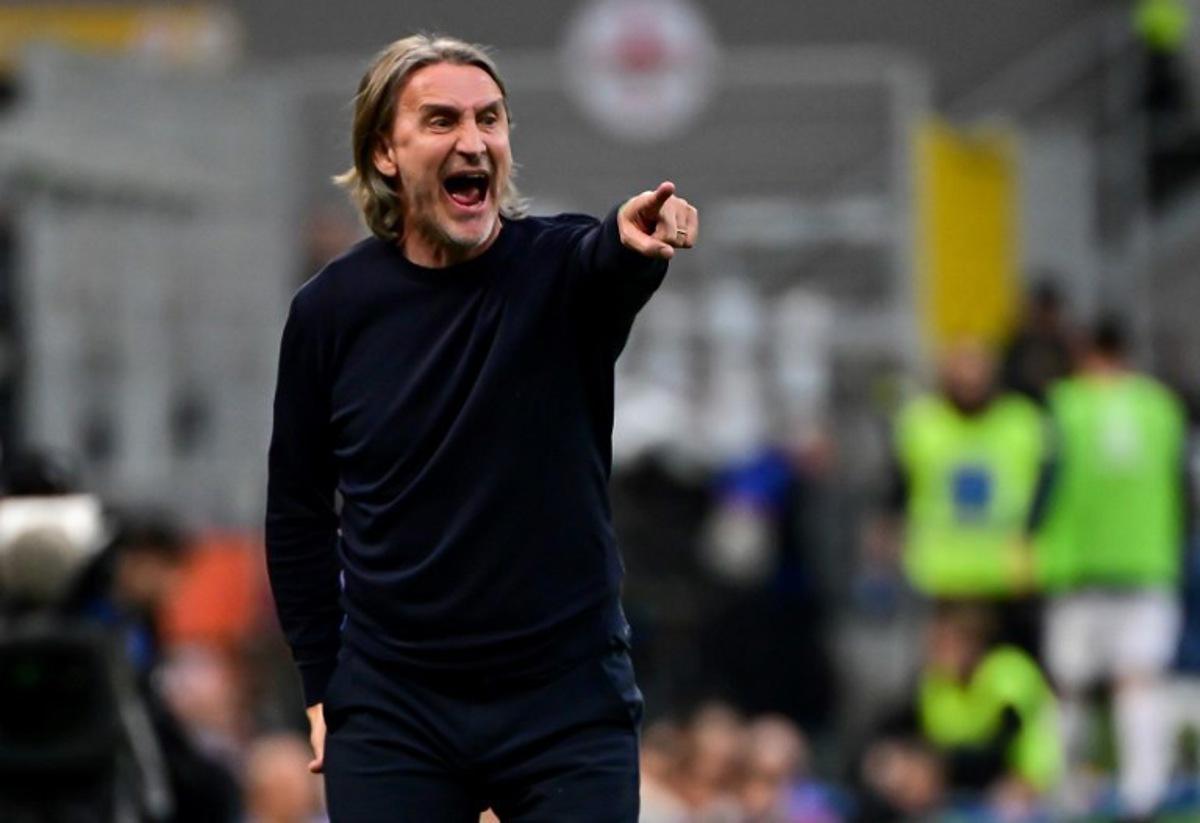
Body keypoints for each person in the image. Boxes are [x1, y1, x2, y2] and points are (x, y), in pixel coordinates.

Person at [265, 34, 698, 822]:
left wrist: (635, 246)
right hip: (397, 708)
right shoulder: (329, 312)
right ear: (386, 154)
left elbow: (607, 260)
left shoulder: (560, 268)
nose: (473, 141)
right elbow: (297, 512)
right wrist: (322, 683)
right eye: (440, 121)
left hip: (565, 700)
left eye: (490, 119)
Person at [1033, 316, 1190, 821]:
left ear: (1085, 353)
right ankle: (1143, 794)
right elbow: (1184, 487)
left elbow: (1045, 483)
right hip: (1148, 564)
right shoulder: (1162, 407)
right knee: (1139, 683)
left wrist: (1028, 538)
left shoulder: (1066, 405)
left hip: (1079, 567)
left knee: (1067, 688)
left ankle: (1062, 793)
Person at [887, 341, 1046, 641]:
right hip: (941, 573)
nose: (970, 383)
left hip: (1005, 575)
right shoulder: (922, 424)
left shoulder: (1021, 423)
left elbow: (1044, 494)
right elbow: (899, 490)